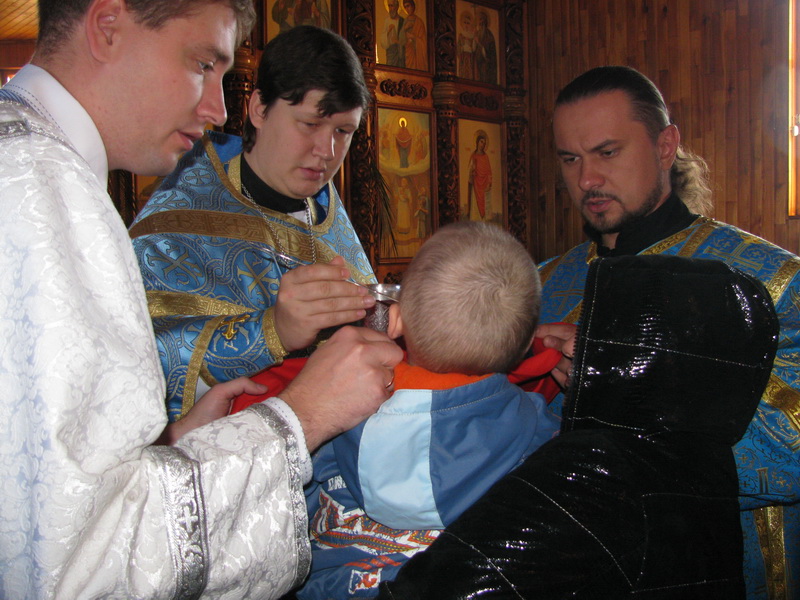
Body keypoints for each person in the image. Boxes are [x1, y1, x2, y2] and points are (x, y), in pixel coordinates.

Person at [0, 1, 403, 598]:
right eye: (202, 64)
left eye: (343, 132)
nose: (217, 110)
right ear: (107, 28)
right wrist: (279, 354)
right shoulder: (37, 190)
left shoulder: (43, 170)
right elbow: (78, 560)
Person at [379, 65, 800, 598]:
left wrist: (616, 388)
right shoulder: (538, 283)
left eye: (607, 152)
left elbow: (791, 444)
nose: (586, 180)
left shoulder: (768, 282)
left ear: (665, 146)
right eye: (570, 159)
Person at [378, 253, 779, 599]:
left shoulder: (593, 465)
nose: (586, 339)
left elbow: (452, 585)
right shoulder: (706, 460)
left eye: (604, 326)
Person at [293, 221, 559, 598]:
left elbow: (294, 507)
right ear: (527, 342)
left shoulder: (341, 412)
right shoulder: (537, 426)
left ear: (395, 321)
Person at [130, 25, 376, 422]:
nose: (326, 151)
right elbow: (138, 355)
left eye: (343, 131)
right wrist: (272, 331)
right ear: (259, 109)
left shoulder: (326, 209)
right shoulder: (183, 207)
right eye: (310, 124)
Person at [399, 0, 426, 71]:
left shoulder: (419, 22)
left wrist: (413, 37)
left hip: (416, 54)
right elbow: (400, 39)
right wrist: (405, 29)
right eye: (405, 7)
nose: (407, 9)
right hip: (407, 51)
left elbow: (423, 42)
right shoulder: (405, 21)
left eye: (408, 6)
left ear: (413, 6)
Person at [380, 0, 405, 67]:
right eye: (389, 6)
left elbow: (405, 39)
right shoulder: (387, 21)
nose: (390, 8)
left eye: (392, 6)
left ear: (397, 7)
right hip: (391, 52)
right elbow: (383, 38)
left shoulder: (402, 21)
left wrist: (398, 41)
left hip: (400, 52)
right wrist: (388, 31)